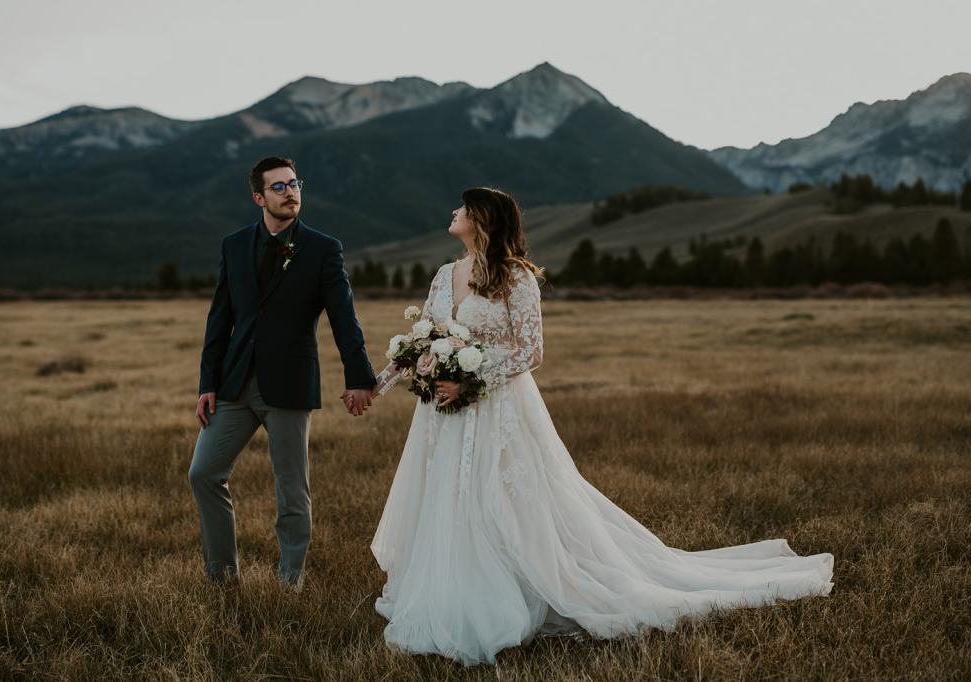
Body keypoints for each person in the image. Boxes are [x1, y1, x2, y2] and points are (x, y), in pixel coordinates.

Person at [362, 187, 834, 665]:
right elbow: (418, 341)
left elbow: (531, 352)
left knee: (505, 503)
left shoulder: (516, 279)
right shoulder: (445, 275)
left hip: (497, 410)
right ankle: (451, 590)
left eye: (462, 208)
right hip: (444, 419)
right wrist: (374, 388)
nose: (453, 213)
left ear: (482, 219)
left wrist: (470, 380)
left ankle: (519, 592)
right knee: (448, 500)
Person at [188, 156, 376, 589]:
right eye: (279, 187)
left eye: (294, 184)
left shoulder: (323, 248)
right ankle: (222, 579)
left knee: (292, 491)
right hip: (235, 383)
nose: (290, 192)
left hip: (289, 384)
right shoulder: (233, 245)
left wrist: (359, 379)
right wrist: (208, 384)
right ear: (259, 197)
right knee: (203, 473)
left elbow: (343, 319)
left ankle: (289, 583)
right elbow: (219, 320)